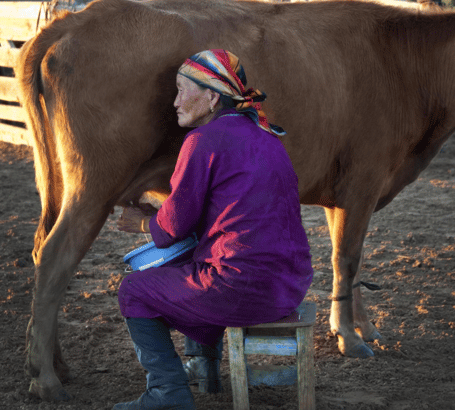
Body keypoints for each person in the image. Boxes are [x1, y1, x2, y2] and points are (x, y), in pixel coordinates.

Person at [113, 49, 314, 410]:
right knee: (199, 259)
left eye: (180, 90)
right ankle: (205, 369)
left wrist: (142, 222)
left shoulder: (202, 142)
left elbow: (173, 227)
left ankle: (167, 394)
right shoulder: (267, 136)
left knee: (134, 290)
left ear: (211, 97)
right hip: (288, 287)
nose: (174, 102)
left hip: (242, 291)